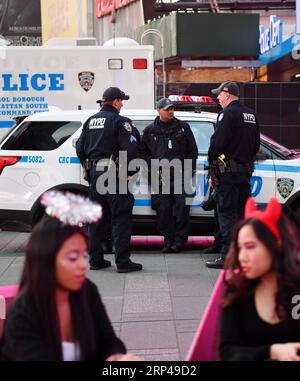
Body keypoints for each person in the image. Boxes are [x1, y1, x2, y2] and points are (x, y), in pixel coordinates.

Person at [0, 191, 141, 361]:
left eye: (84, 255)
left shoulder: (86, 290)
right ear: (47, 260)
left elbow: (109, 341)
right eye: (73, 257)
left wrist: (115, 356)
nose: (82, 265)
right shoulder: (23, 315)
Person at [220, 197, 300, 361]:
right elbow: (228, 353)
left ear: (276, 245)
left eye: (250, 247)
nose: (242, 257)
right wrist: (272, 352)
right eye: (239, 248)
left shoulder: (296, 290)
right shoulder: (237, 291)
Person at [76, 87, 142, 273]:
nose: (122, 104)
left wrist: (89, 169)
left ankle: (95, 260)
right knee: (121, 217)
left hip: (96, 174)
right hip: (114, 173)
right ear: (114, 101)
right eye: (121, 101)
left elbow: (80, 149)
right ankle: (123, 262)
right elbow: (130, 150)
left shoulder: (90, 121)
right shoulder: (120, 121)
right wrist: (130, 171)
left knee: (96, 219)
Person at [206, 81, 260, 269]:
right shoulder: (250, 114)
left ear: (227, 94)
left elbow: (219, 144)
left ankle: (228, 257)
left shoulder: (227, 114)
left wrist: (214, 163)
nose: (218, 98)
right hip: (244, 172)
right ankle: (244, 253)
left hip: (228, 174)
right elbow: (255, 145)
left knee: (227, 214)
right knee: (242, 214)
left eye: (219, 94)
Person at [140, 98, 198, 253]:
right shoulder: (150, 130)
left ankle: (180, 240)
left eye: (172, 108)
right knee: (163, 209)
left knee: (182, 208)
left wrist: (188, 168)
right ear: (158, 110)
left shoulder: (183, 128)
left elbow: (193, 151)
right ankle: (168, 240)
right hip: (160, 177)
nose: (171, 111)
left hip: (180, 175)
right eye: (167, 109)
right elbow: (142, 152)